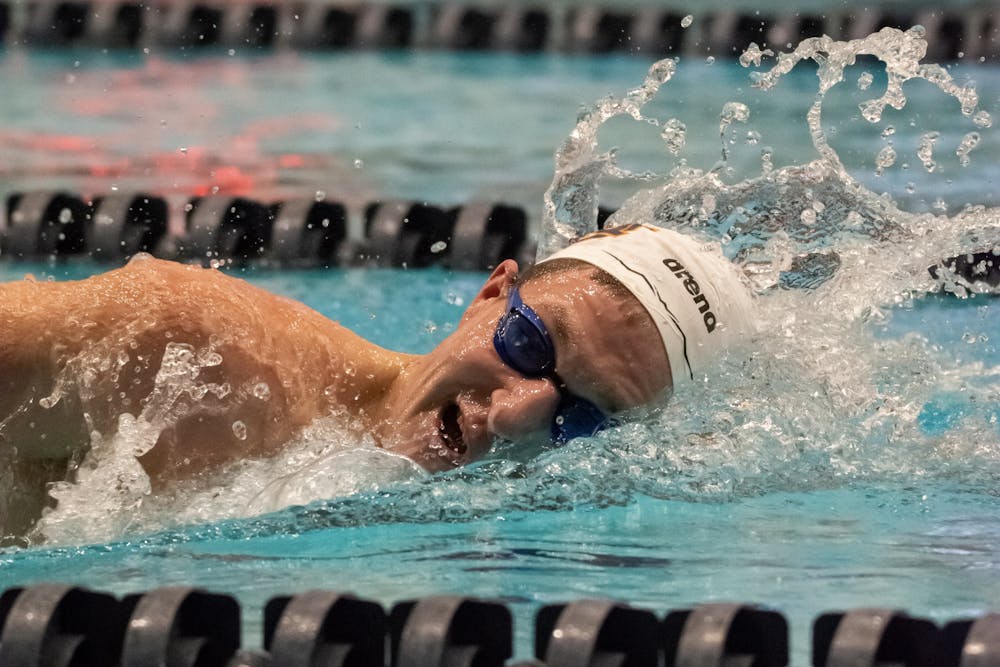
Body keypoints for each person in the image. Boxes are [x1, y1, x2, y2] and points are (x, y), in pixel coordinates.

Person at [0, 223, 754, 536]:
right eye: (528, 343)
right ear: (491, 293)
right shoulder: (194, 352)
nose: (518, 413)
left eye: (582, 417)